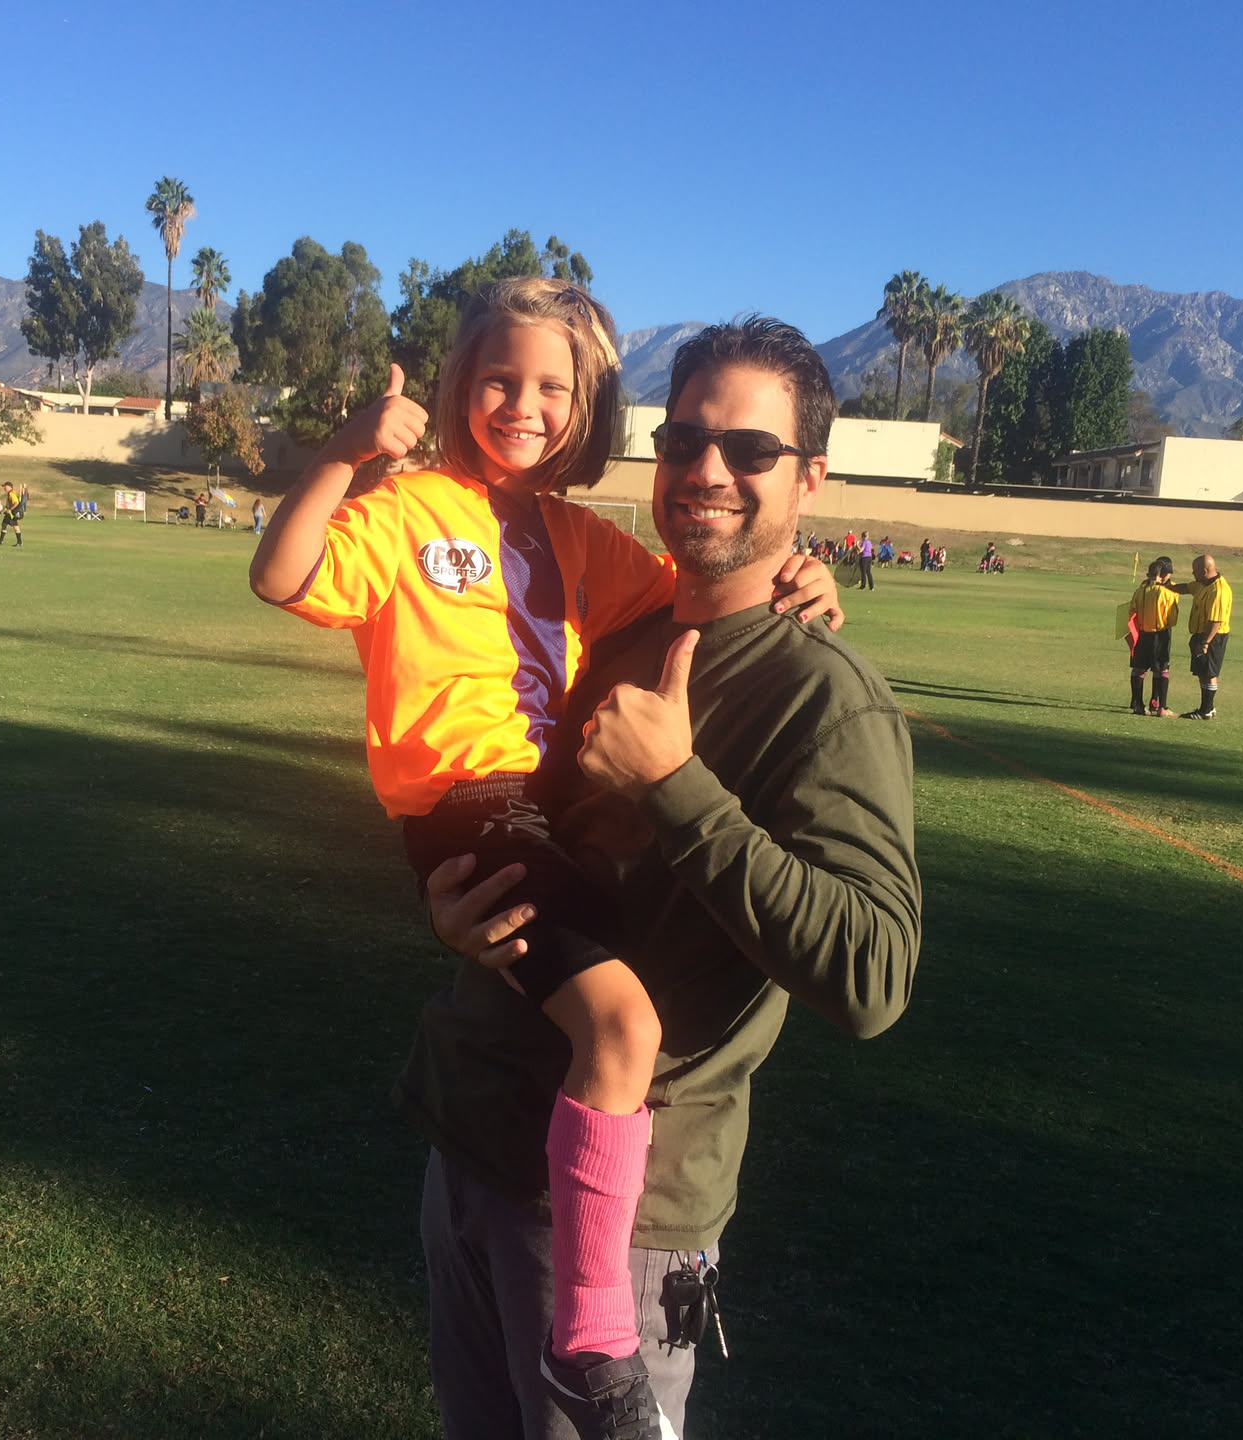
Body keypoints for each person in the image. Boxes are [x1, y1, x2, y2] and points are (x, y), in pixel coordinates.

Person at [253, 283, 841, 1440]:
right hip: (469, 805)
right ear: (460, 385)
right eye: (499, 379)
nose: (523, 405)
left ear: (589, 409)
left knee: (617, 1016)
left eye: (553, 388)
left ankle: (582, 1305)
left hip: (539, 811)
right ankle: (593, 1332)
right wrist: (340, 457)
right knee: (622, 1028)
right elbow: (283, 575)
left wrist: (799, 575)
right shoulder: (410, 510)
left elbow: (699, 596)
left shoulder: (582, 541)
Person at [412, 317, 919, 1440]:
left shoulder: (826, 696)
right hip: (474, 1149)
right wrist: (457, 904)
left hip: (622, 1227)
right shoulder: (613, 636)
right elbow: (521, 822)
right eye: (685, 440)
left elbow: (873, 976)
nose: (707, 471)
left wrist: (677, 785)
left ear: (811, 478)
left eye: (751, 450)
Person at [1169, 554, 1232, 719]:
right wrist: (1167, 586)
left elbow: (1215, 621)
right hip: (1201, 635)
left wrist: (1205, 643)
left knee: (1209, 673)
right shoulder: (1202, 584)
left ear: (1204, 571)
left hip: (1212, 636)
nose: (1192, 574)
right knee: (1203, 672)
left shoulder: (1218, 590)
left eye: (1194, 571)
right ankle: (1207, 708)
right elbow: (1186, 588)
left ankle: (1206, 710)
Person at [1127, 556, 1179, 715]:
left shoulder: (1140, 591)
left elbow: (1131, 611)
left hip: (1141, 634)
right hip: (1160, 634)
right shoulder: (1166, 592)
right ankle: (1161, 707)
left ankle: (1138, 704)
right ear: (1163, 576)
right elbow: (1172, 618)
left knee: (1138, 669)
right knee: (1162, 669)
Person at [0, 481, 23, 546]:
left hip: (13, 513)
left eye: (5, 486)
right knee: (5, 524)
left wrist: (10, 509)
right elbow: (8, 506)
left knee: (13, 526)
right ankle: (1, 540)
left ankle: (19, 542)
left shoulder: (11, 494)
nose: (4, 488)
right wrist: (2, 511)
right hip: (11, 513)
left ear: (10, 487)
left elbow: (16, 503)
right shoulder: (9, 494)